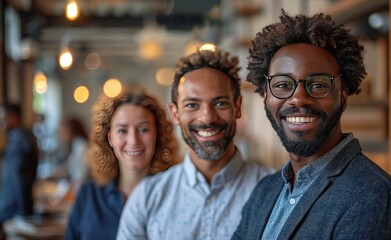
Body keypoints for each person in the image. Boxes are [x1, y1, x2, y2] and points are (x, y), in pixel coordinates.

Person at [232, 11, 391, 239]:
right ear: (265, 96)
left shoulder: (376, 201)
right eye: (282, 84)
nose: (298, 98)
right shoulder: (264, 193)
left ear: (343, 97)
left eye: (318, 84)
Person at [116, 47, 274, 239]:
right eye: (192, 105)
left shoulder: (274, 191)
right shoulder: (147, 197)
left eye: (220, 103)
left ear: (237, 107)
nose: (207, 117)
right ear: (175, 113)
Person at [64, 86, 178, 240]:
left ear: (157, 135)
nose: (133, 141)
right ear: (110, 138)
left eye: (143, 130)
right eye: (122, 131)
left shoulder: (175, 196)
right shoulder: (89, 195)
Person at [0, 104, 38, 239]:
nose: (1, 121)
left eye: (3, 117)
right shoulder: (25, 138)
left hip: (11, 211)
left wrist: (24, 214)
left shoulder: (18, 142)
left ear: (13, 117)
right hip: (15, 209)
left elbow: (19, 178)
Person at [53, 116, 89, 191]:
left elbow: (81, 172)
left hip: (79, 188)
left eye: (64, 130)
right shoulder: (76, 143)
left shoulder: (80, 145)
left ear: (72, 130)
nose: (62, 133)